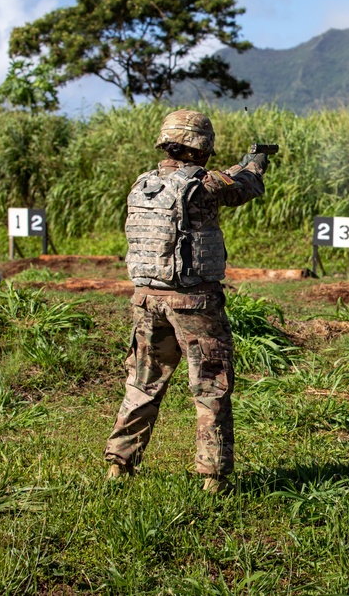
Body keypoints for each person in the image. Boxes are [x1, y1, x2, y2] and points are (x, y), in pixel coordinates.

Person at [104, 109, 269, 493]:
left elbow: (210, 181)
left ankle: (119, 464)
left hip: (146, 300)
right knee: (211, 385)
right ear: (202, 146)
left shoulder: (144, 183)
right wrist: (256, 164)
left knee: (142, 383)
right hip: (193, 303)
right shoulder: (203, 184)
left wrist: (242, 165)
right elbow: (241, 187)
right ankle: (213, 477)